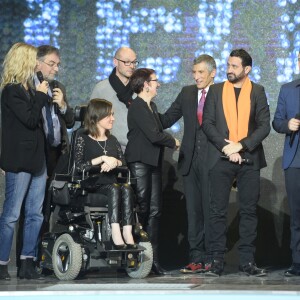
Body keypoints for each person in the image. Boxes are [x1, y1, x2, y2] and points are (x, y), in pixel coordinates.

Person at [202, 49, 270, 276]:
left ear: (247, 69)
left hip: (249, 157)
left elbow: (263, 126)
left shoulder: (258, 91)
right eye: (228, 65)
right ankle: (216, 261)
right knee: (217, 212)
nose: (229, 70)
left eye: (234, 67)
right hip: (221, 157)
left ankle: (247, 262)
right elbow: (208, 124)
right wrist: (226, 147)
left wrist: (239, 146)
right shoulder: (216, 90)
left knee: (249, 212)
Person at [158, 54, 216, 273]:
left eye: (201, 72)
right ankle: (196, 258)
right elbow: (166, 119)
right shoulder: (187, 93)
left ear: (213, 73)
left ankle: (212, 257)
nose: (196, 76)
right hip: (190, 162)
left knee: (211, 211)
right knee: (194, 213)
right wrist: (143, 107)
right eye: (194, 72)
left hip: (212, 161)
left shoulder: (221, 93)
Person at [0, 42, 49, 280]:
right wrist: (40, 96)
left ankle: (27, 261)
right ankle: (1, 263)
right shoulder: (11, 91)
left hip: (38, 160)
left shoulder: (30, 90)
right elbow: (29, 120)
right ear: (23, 62)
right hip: (19, 161)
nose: (36, 65)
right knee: (12, 214)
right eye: (33, 60)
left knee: (35, 214)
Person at [125, 68, 180, 275]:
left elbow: (162, 123)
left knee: (155, 210)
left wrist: (181, 105)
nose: (158, 84)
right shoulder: (137, 106)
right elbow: (154, 135)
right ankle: (138, 257)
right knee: (142, 208)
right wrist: (173, 141)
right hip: (139, 161)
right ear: (146, 84)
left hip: (153, 163)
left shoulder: (151, 106)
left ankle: (153, 260)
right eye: (155, 81)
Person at [74, 98, 136, 249]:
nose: (113, 119)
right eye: (109, 115)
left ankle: (127, 231)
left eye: (113, 115)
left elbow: (124, 163)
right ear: (97, 116)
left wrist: (115, 161)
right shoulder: (82, 138)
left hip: (110, 180)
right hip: (93, 184)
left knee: (126, 188)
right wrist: (101, 159)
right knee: (114, 187)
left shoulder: (112, 139)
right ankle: (115, 230)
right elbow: (79, 167)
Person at [273, 50, 300, 276]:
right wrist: (287, 124)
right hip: (295, 160)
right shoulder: (288, 89)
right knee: (297, 214)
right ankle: (298, 262)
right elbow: (277, 121)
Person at [35, 45, 75, 178]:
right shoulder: (27, 86)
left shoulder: (59, 87)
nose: (56, 69)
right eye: (51, 64)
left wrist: (63, 106)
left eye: (58, 65)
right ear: (37, 63)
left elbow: (70, 123)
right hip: (38, 151)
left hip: (58, 152)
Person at [90, 47, 138, 150]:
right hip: (108, 148)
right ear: (115, 62)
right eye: (127, 62)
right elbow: (91, 121)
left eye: (134, 62)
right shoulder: (101, 89)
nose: (132, 66)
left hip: (136, 149)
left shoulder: (139, 89)